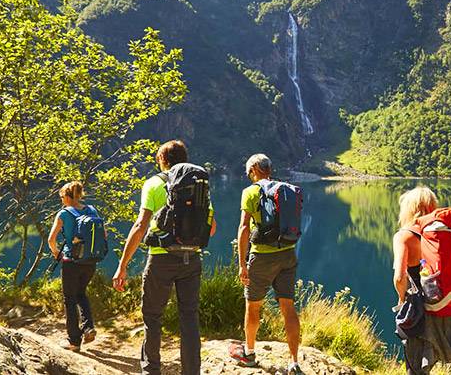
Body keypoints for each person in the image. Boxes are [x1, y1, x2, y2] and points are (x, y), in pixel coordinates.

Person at [112, 140, 216, 375]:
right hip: (192, 259)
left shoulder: (154, 183)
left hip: (161, 259)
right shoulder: (199, 185)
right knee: (189, 318)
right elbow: (211, 228)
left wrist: (122, 265)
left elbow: (140, 225)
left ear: (163, 160)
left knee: (152, 316)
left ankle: (151, 370)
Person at [392, 187, 451, 375]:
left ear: (409, 208)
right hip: (447, 301)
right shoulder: (442, 234)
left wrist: (402, 300)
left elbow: (400, 277)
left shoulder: (404, 236)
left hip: (421, 310)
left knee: (416, 367)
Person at [229, 154, 302, 374]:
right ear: (268, 169)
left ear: (253, 169)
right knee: (288, 307)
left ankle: (249, 354)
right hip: (288, 253)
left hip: (261, 256)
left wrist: (242, 263)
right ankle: (294, 362)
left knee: (253, 305)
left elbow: (244, 228)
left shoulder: (250, 192)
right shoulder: (286, 189)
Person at [47, 181, 101, 351]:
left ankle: (74, 341)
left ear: (68, 197)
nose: (61, 200)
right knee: (81, 293)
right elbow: (103, 235)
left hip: (71, 261)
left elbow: (51, 240)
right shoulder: (92, 210)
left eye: (62, 197)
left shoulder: (63, 214)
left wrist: (57, 253)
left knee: (69, 299)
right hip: (91, 261)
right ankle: (88, 327)